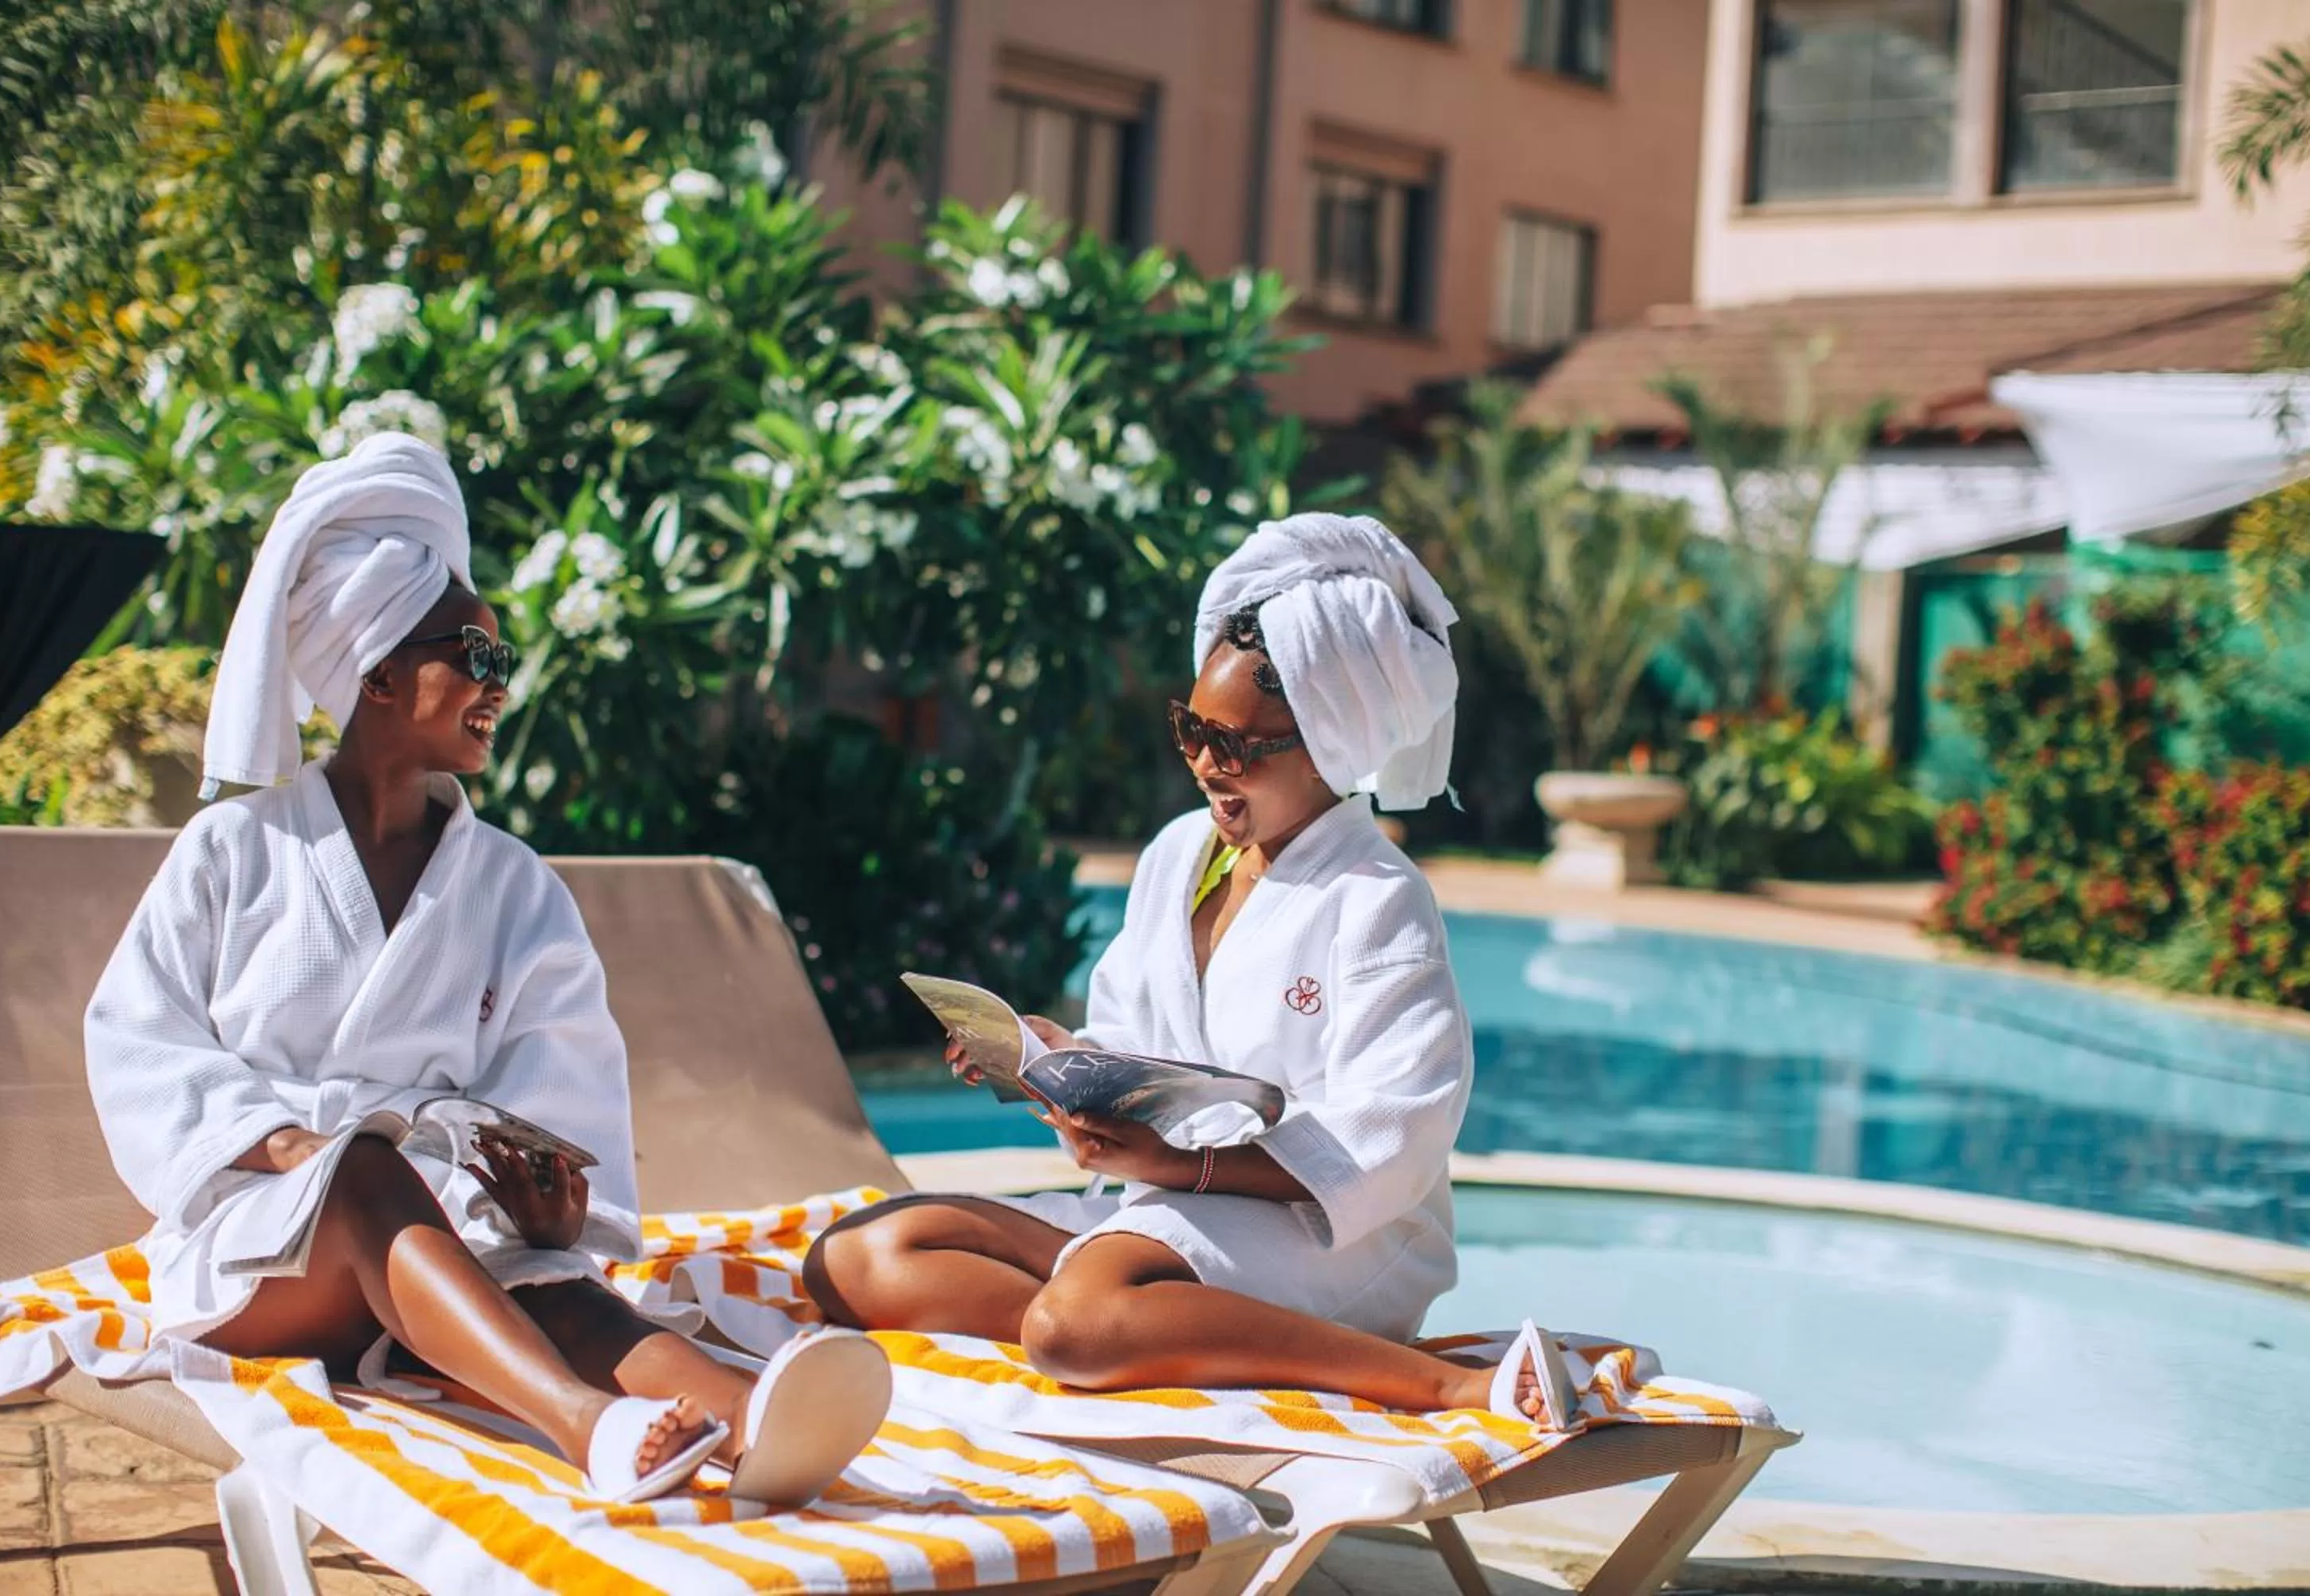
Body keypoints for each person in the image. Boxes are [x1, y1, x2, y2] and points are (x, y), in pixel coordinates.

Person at [86, 433, 888, 1504]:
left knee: (562, 1289)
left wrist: (553, 1212)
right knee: (366, 1175)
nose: (499, 686)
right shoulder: (233, 855)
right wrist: (291, 1144)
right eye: (477, 657)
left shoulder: (512, 886)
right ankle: (587, 1426)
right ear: (376, 672)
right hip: (262, 1259)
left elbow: (558, 1087)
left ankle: (760, 1427)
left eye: (501, 662)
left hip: (448, 1248)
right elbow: (139, 1042)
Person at [805, 512, 1574, 1426]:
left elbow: (1392, 1143)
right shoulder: (1179, 854)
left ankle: (1446, 1384)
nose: (1209, 765)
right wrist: (1053, 1059)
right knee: (858, 1256)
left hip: (1331, 1235)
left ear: (1330, 742)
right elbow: (1132, 1042)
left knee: (1066, 1326)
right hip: (1172, 1200)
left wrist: (1187, 1164)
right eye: (1194, 729)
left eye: (1242, 746)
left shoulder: (1377, 899)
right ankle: (1155, 1326)